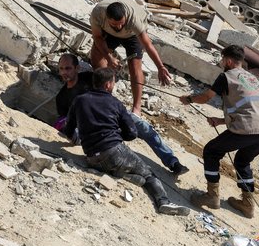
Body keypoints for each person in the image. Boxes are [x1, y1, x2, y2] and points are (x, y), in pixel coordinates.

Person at [64, 68, 189, 216]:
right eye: (114, 82)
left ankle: (126, 176)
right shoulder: (115, 104)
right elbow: (132, 133)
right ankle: (163, 202)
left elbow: (69, 128)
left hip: (91, 158)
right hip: (114, 152)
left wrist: (77, 140)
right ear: (108, 85)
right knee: (149, 174)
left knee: (117, 166)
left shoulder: (79, 100)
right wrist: (115, 135)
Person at [55, 53, 188, 175]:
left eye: (68, 68)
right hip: (91, 128)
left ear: (77, 68)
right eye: (61, 69)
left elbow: (108, 80)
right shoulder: (61, 97)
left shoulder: (90, 77)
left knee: (142, 126)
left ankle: (172, 162)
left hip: (111, 115)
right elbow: (68, 123)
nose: (64, 72)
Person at [179, 45, 259, 218]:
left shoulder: (226, 76)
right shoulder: (253, 80)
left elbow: (207, 97)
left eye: (222, 59)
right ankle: (247, 204)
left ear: (228, 60)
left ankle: (212, 196)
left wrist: (189, 99)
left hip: (246, 127)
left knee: (211, 151)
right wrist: (221, 121)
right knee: (242, 162)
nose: (221, 62)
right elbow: (250, 107)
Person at [90, 0, 172, 116]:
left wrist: (160, 66)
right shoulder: (98, 14)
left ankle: (136, 108)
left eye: (121, 24)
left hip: (132, 36)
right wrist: (109, 58)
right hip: (108, 33)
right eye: (115, 24)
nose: (118, 27)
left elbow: (148, 45)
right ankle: (104, 92)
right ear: (107, 19)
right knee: (96, 57)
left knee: (135, 67)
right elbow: (97, 37)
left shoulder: (134, 19)